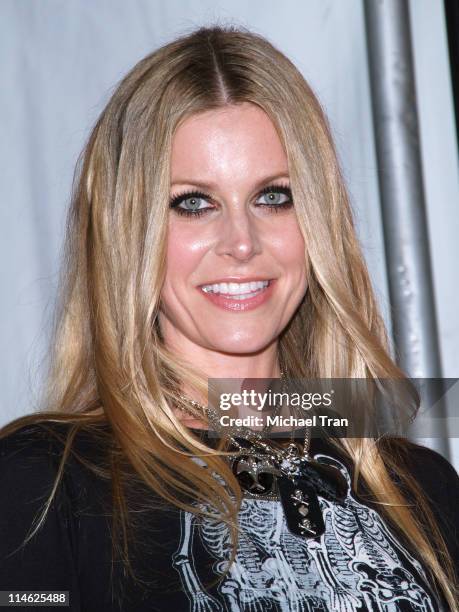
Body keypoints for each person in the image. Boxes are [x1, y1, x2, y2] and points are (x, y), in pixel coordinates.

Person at [0, 25, 458, 612]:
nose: (241, 242)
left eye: (274, 196)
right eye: (193, 202)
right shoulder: (42, 485)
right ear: (128, 235)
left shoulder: (423, 489)